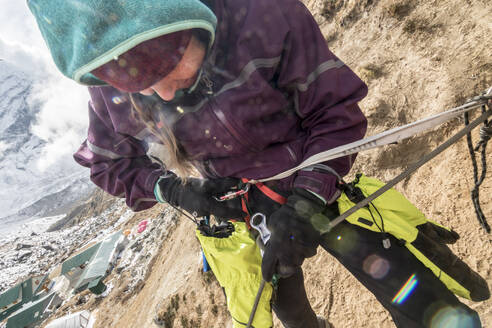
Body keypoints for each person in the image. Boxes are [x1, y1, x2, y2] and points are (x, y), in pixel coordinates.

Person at [28, 0, 487, 327]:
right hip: (244, 205)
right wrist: (174, 189)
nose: (164, 96)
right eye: (142, 89)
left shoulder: (261, 15)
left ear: (189, 20)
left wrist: (308, 199)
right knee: (284, 306)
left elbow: (334, 113)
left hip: (311, 174)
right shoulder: (109, 82)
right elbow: (109, 164)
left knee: (406, 286)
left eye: (172, 72)